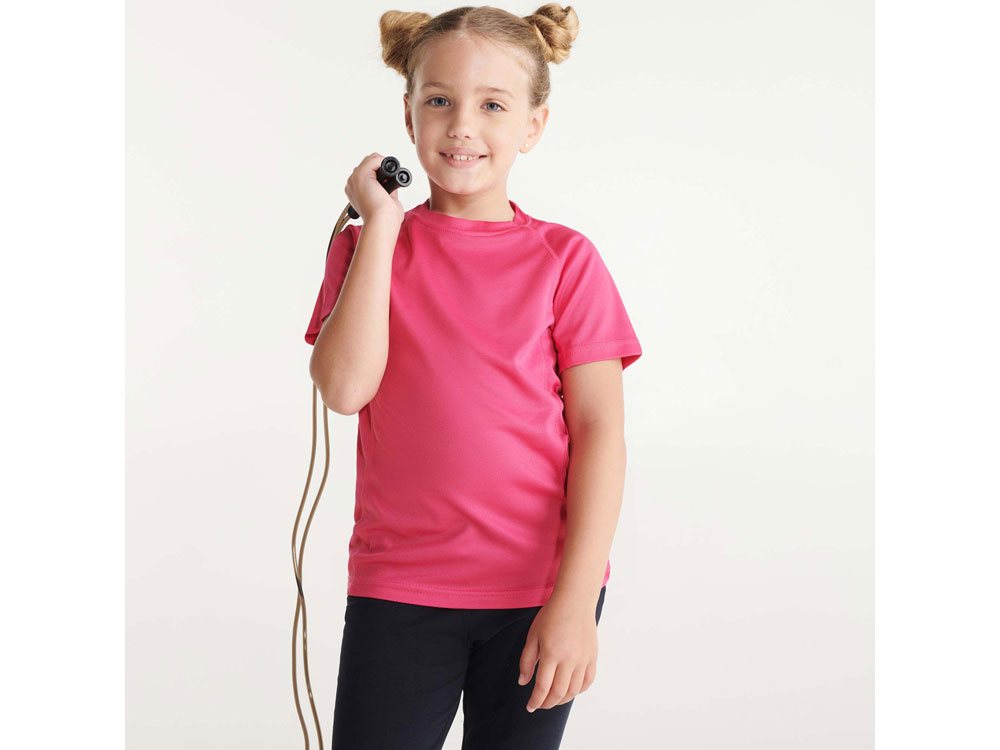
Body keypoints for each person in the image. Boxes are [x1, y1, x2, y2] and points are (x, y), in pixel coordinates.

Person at [304, 5, 642, 748]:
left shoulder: (565, 260)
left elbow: (600, 433)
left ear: (533, 125)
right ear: (408, 113)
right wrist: (382, 225)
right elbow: (345, 389)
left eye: (492, 105)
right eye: (439, 100)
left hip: (539, 591)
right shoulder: (366, 249)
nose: (462, 126)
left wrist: (575, 602)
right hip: (400, 588)